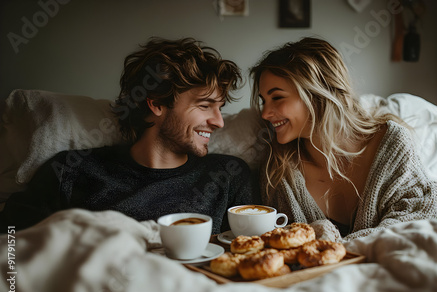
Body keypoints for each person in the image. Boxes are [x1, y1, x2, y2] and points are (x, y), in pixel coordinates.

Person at [0, 37, 258, 233]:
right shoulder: (69, 171)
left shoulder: (228, 175)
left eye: (220, 108)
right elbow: (10, 244)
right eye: (205, 106)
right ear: (156, 104)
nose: (219, 121)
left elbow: (257, 256)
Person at [250, 37, 437, 241]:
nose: (265, 114)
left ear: (318, 93)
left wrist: (340, 246)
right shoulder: (279, 170)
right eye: (263, 100)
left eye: (277, 97)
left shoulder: (391, 143)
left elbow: (418, 219)